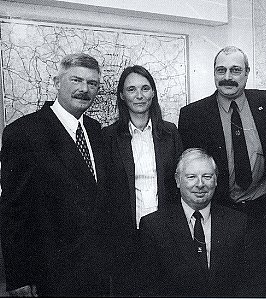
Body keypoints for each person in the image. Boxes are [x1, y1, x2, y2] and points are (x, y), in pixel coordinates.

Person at [0, 53, 110, 297]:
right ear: (56, 82)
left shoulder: (95, 131)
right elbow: (12, 212)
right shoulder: (24, 134)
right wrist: (19, 278)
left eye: (92, 84)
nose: (84, 89)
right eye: (76, 80)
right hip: (51, 276)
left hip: (98, 273)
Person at [178, 46, 266, 222]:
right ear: (214, 73)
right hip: (219, 214)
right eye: (221, 70)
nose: (227, 77)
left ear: (247, 73)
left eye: (235, 70)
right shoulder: (193, 115)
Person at [102, 65, 183, 296]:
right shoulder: (108, 137)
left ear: (153, 92)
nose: (139, 95)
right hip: (126, 236)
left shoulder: (170, 133)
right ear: (121, 95)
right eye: (131, 89)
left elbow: (179, 183)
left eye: (145, 88)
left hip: (166, 232)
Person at [138, 148, 261, 297]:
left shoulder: (238, 222)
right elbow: (149, 289)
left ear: (216, 181)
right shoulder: (154, 226)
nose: (200, 184)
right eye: (191, 177)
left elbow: (248, 283)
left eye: (207, 176)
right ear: (178, 180)